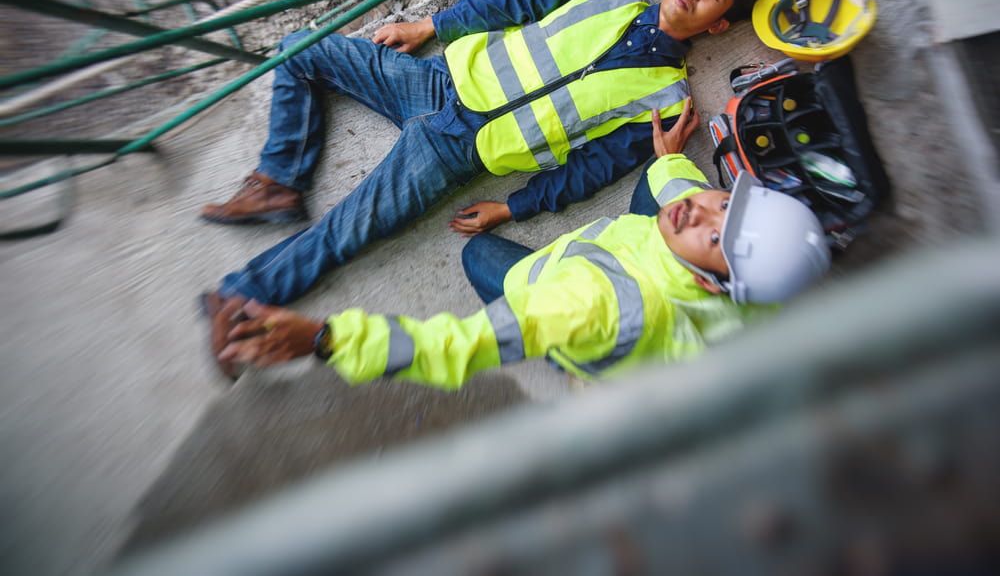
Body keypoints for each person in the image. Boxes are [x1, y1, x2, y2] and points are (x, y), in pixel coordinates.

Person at [201, 0, 766, 358]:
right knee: (300, 50)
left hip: (458, 151)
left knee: (345, 232)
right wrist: (431, 26)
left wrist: (511, 207)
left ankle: (241, 298)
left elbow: (591, 169)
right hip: (440, 81)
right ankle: (279, 180)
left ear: (719, 26)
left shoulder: (667, 101)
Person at [209, 100, 831, 386]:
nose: (697, 210)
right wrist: (668, 161)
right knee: (659, 183)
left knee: (478, 256)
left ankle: (574, 365)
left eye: (714, 235)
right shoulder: (759, 292)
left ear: (711, 280)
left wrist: (325, 339)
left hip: (584, 311)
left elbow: (455, 347)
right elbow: (686, 203)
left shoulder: (589, 303)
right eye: (724, 201)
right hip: (645, 304)